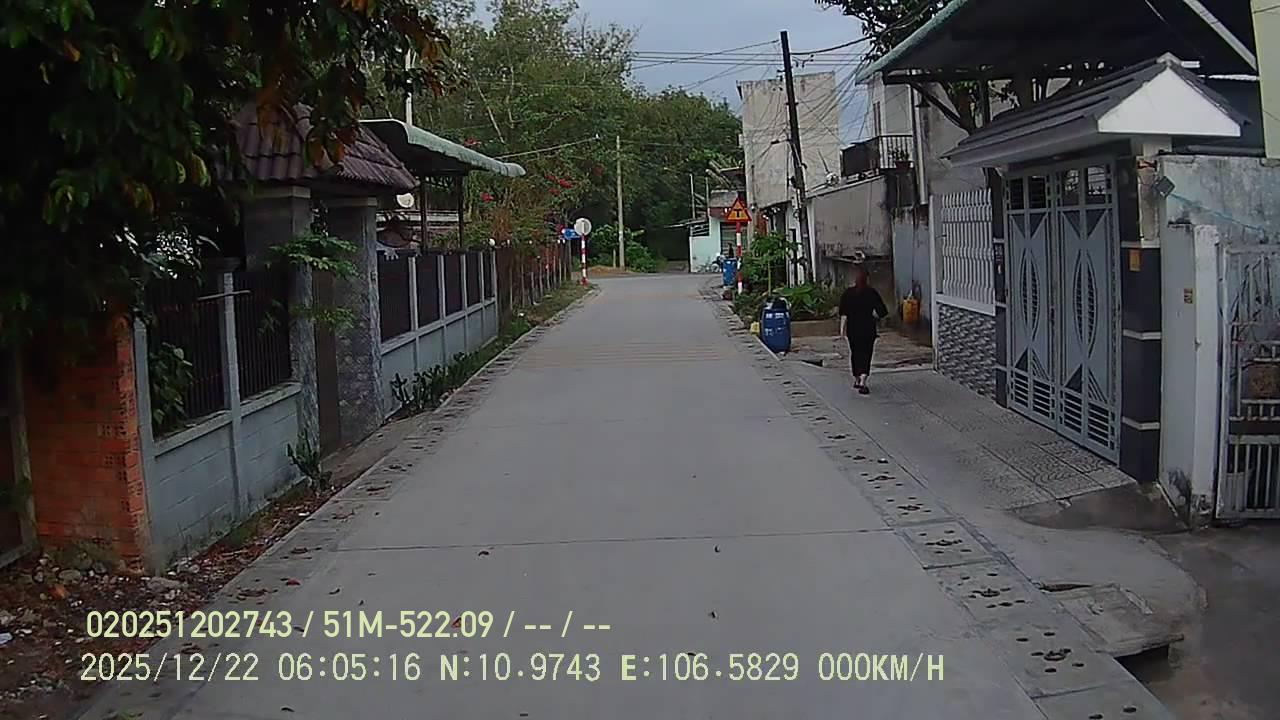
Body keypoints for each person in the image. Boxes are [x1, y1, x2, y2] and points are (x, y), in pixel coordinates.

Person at [838, 265, 889, 395]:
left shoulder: (848, 294)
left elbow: (844, 314)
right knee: (866, 353)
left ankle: (856, 378)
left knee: (855, 352)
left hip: (853, 329)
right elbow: (882, 312)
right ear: (867, 279)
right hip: (868, 329)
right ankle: (863, 380)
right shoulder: (872, 293)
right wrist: (874, 317)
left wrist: (842, 330)